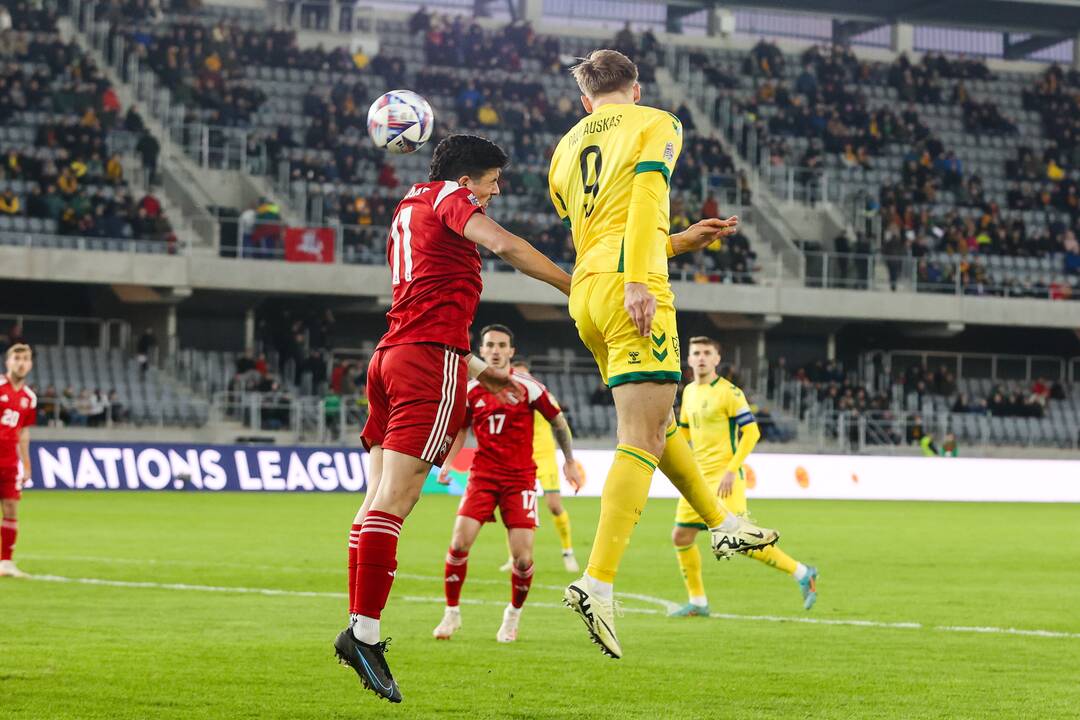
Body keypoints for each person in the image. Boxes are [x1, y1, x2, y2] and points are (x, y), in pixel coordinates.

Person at [547, 49, 779, 659]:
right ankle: (596, 582)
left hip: (587, 293)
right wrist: (644, 278)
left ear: (585, 100)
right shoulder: (657, 122)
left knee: (659, 422)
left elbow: (601, 231)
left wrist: (677, 244)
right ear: (637, 87)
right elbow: (646, 199)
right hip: (630, 287)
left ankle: (722, 523)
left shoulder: (564, 149)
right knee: (639, 434)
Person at [334, 134, 572, 703]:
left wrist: (477, 368)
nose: (496, 191)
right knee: (396, 503)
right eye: (492, 181)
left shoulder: (409, 204)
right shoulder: (450, 198)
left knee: (372, 503)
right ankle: (363, 634)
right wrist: (572, 283)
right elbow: (506, 246)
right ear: (467, 180)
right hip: (426, 366)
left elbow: (425, 298)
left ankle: (358, 627)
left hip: (388, 358)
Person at [432, 326, 584, 643]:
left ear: (511, 352)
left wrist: (569, 460)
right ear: (482, 351)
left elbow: (557, 420)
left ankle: (512, 617)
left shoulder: (528, 387)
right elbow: (460, 430)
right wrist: (447, 461)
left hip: (520, 479)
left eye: (502, 345)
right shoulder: (471, 389)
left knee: (522, 558)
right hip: (483, 476)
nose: (496, 350)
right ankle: (451, 614)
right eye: (490, 346)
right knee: (459, 542)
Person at [669, 338, 818, 617]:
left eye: (707, 353)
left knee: (739, 541)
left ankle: (802, 572)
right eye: (696, 353)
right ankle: (698, 602)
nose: (701, 358)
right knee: (681, 535)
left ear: (717, 359)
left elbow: (752, 433)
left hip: (726, 478)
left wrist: (730, 469)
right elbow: (687, 432)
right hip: (696, 479)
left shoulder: (730, 393)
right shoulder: (688, 392)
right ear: (688, 359)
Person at [496, 358, 583, 573]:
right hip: (521, 459)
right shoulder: (506, 398)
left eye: (525, 375)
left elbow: (560, 424)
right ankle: (513, 556)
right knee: (514, 509)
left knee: (554, 506)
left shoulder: (544, 396)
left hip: (545, 458)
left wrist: (568, 458)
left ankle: (568, 552)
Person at [0, 344, 37, 578]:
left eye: (25, 359)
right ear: (7, 362)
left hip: (10, 462)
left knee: (12, 508)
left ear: (31, 364)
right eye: (17, 358)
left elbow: (24, 432)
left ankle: (5, 562)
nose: (21, 362)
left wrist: (27, 464)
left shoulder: (29, 397)